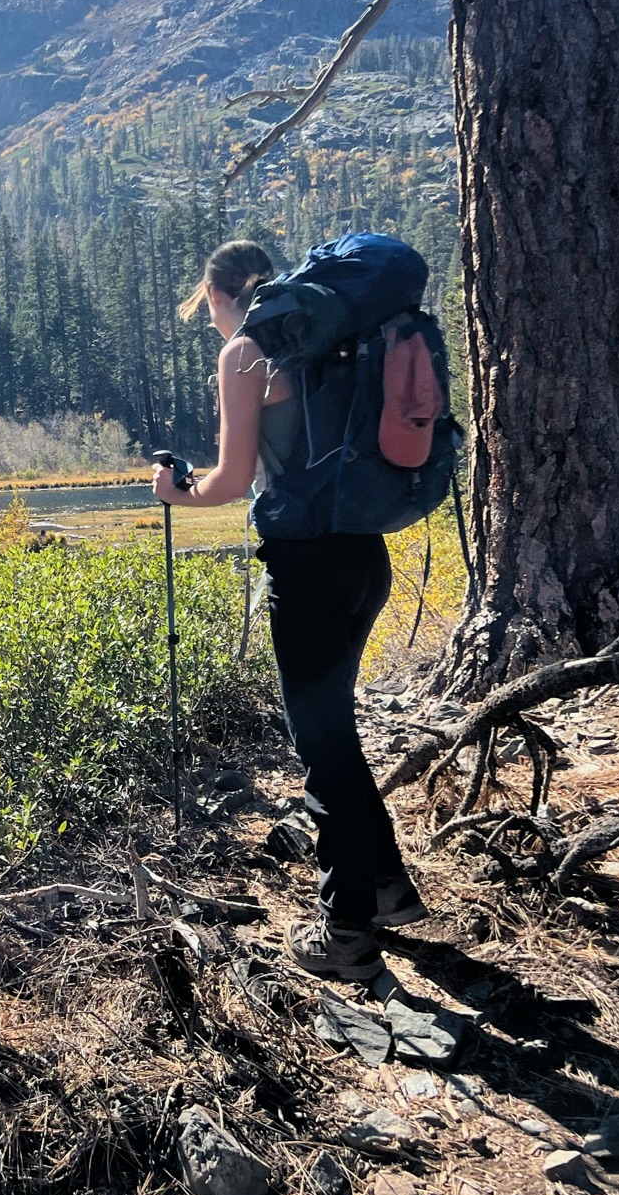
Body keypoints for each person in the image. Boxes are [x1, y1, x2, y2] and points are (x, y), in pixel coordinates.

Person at [152, 240, 428, 981]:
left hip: (305, 568)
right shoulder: (340, 335)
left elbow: (232, 479)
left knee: (321, 746)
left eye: (206, 306)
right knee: (335, 730)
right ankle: (387, 886)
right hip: (366, 557)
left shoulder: (245, 352)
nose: (210, 319)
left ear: (218, 294)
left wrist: (176, 492)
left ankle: (345, 931)